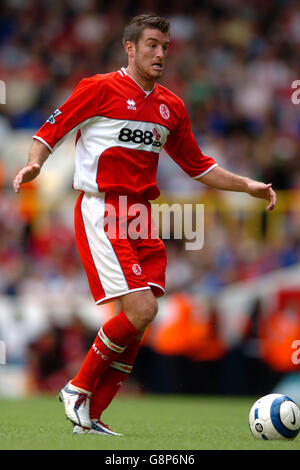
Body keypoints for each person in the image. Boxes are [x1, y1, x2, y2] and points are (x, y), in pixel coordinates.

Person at [13, 14, 277, 436]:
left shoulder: (171, 105)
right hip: (104, 209)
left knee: (140, 319)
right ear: (130, 48)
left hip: (142, 216)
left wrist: (245, 185)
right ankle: (77, 387)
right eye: (152, 45)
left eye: (166, 47)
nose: (160, 53)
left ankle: (91, 417)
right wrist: (34, 164)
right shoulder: (98, 88)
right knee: (142, 309)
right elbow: (51, 131)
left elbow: (198, 164)